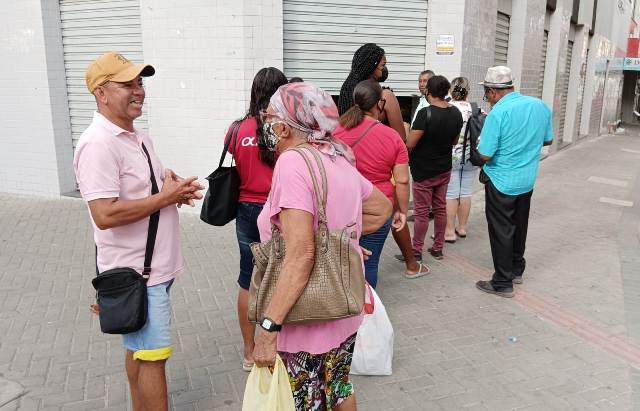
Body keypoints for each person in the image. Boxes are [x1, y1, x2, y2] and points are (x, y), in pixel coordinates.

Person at [73, 52, 203, 411]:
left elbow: (151, 184)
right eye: (127, 84)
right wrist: (166, 197)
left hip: (156, 269)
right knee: (154, 357)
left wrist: (171, 184)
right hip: (137, 273)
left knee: (139, 348)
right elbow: (104, 213)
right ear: (100, 92)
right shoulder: (98, 144)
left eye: (140, 82)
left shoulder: (137, 136)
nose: (138, 91)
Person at [252, 82, 392, 410]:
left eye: (270, 116)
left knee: (305, 401)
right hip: (341, 309)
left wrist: (269, 327)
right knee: (339, 388)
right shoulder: (338, 158)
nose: (266, 123)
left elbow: (301, 254)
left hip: (304, 315)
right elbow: (382, 208)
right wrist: (344, 244)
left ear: (285, 125)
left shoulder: (293, 163)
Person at [334, 80, 430, 286]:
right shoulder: (392, 137)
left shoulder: (335, 131)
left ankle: (342, 307)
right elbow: (403, 180)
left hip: (342, 208)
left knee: (343, 264)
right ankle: (366, 312)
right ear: (380, 104)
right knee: (369, 263)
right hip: (378, 210)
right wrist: (401, 212)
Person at [224, 67, 288, 372]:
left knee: (247, 279)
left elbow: (236, 160)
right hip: (278, 210)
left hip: (246, 210)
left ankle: (249, 351)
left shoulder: (236, 129)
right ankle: (277, 347)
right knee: (281, 278)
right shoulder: (283, 129)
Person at [475, 66, 553, 298]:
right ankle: (517, 270)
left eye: (486, 94)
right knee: (519, 226)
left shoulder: (497, 113)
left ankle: (502, 281)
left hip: (501, 181)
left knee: (501, 230)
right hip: (526, 180)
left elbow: (486, 155)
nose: (487, 99)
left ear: (492, 91)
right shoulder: (539, 106)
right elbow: (547, 139)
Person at [406, 75, 462, 261]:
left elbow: (410, 143)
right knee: (440, 208)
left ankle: (416, 251)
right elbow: (454, 141)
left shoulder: (425, 113)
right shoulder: (456, 113)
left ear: (429, 91)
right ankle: (438, 248)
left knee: (421, 213)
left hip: (423, 171)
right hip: (444, 168)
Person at [337, 43, 405, 140]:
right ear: (372, 67)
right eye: (383, 65)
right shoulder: (386, 96)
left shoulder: (347, 91)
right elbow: (401, 138)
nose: (384, 70)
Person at [445, 77, 480, 242]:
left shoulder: (447, 108)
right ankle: (463, 227)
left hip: (450, 157)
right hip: (471, 157)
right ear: (468, 90)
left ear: (451, 90)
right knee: (466, 192)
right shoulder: (476, 109)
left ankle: (450, 231)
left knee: (451, 194)